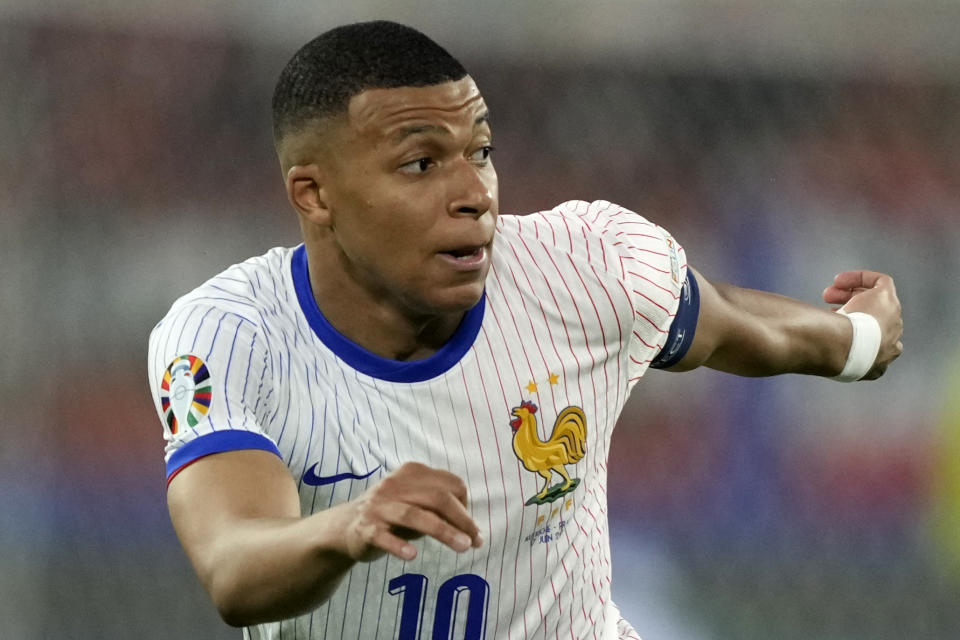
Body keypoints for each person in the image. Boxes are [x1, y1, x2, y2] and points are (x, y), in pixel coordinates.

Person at [147, 20, 903, 640]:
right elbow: (234, 565)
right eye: (420, 164)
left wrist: (860, 340)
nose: (474, 193)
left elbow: (740, 326)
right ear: (314, 194)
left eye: (480, 151)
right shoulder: (228, 337)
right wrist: (347, 526)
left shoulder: (586, 267)